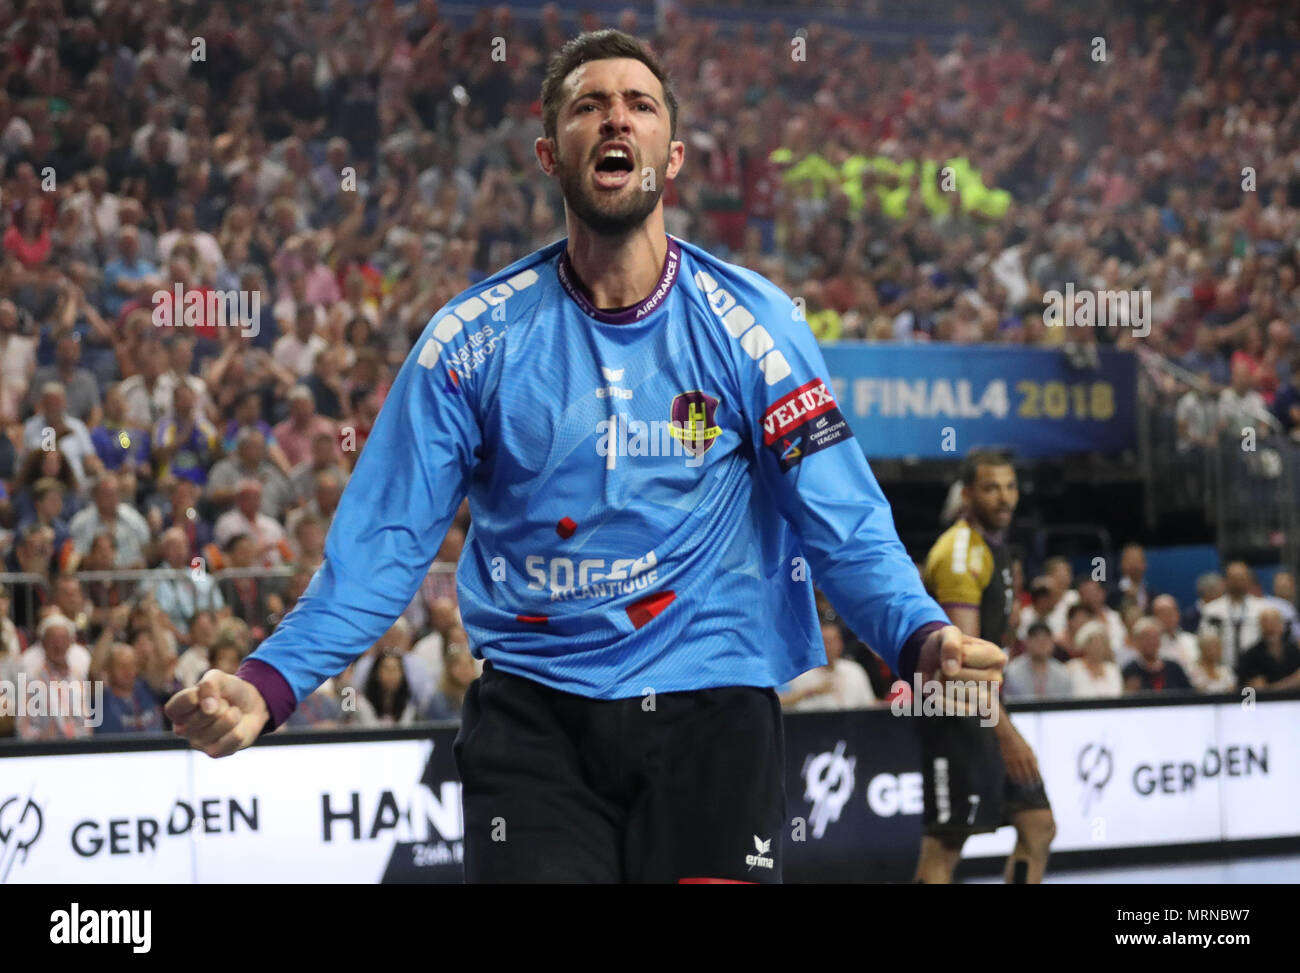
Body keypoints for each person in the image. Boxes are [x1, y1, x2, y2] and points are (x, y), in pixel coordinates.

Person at [167, 30, 1004, 886]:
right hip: (535, 722)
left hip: (712, 711)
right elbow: (383, 540)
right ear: (549, 154)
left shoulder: (758, 328)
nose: (616, 118)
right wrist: (270, 682)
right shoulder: (469, 342)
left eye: (639, 104)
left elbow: (843, 517)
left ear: (670, 156)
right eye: (588, 106)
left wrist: (918, 631)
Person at [917, 449, 1053, 884]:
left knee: (1037, 825)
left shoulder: (992, 546)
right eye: (992, 488)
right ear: (968, 492)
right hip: (952, 712)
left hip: (983, 708)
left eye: (1011, 487)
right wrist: (1009, 736)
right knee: (946, 846)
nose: (1005, 498)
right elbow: (962, 667)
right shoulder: (961, 555)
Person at [779, 619, 877, 711]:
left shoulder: (854, 669)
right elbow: (780, 703)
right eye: (825, 641)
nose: (830, 646)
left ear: (841, 643)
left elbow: (869, 705)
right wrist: (810, 692)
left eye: (834, 641)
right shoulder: (798, 672)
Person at [1199, 561, 1269, 670]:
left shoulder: (1262, 608)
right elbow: (1206, 640)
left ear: (1249, 580)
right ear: (1225, 581)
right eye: (1234, 578)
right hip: (1223, 669)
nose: (1238, 582)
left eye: (1242, 578)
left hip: (1255, 668)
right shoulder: (1211, 610)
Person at [97, 643, 164, 734]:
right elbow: (94, 671)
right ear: (109, 669)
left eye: (132, 664)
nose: (128, 670)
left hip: (159, 747)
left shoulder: (148, 687)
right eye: (121, 665)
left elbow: (165, 660)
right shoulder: (101, 697)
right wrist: (111, 630)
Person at [1122, 617, 1193, 694]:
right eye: (1146, 638)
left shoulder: (1174, 668)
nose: (1151, 642)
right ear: (1137, 641)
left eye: (1155, 638)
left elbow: (1191, 694)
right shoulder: (1130, 671)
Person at [1237, 606, 1300, 691]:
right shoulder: (1251, 656)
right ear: (1260, 627)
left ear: (1282, 625)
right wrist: (1291, 682)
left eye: (1274, 623)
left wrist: (1270, 686)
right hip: (1265, 702)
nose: (1270, 628)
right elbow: (1259, 688)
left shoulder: (1295, 650)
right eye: (1265, 623)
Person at [1003, 621, 1071, 699]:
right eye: (1036, 639)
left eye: (1045, 639)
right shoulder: (1012, 671)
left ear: (1053, 643)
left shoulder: (1062, 673)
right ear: (1027, 642)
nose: (1041, 643)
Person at [1065, 620, 1123, 698]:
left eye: (1103, 642)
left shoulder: (1112, 669)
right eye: (1095, 642)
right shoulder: (1072, 668)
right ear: (1084, 644)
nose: (1099, 647)